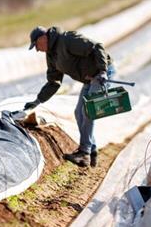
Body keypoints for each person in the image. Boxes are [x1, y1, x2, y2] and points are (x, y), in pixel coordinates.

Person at [21, 25, 115, 167]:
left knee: (88, 111)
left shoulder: (67, 39)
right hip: (89, 79)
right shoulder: (51, 55)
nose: (38, 50)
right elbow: (54, 82)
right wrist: (37, 101)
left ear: (43, 38)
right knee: (78, 113)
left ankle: (85, 153)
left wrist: (102, 70)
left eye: (37, 45)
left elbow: (97, 47)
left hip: (103, 74)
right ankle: (92, 149)